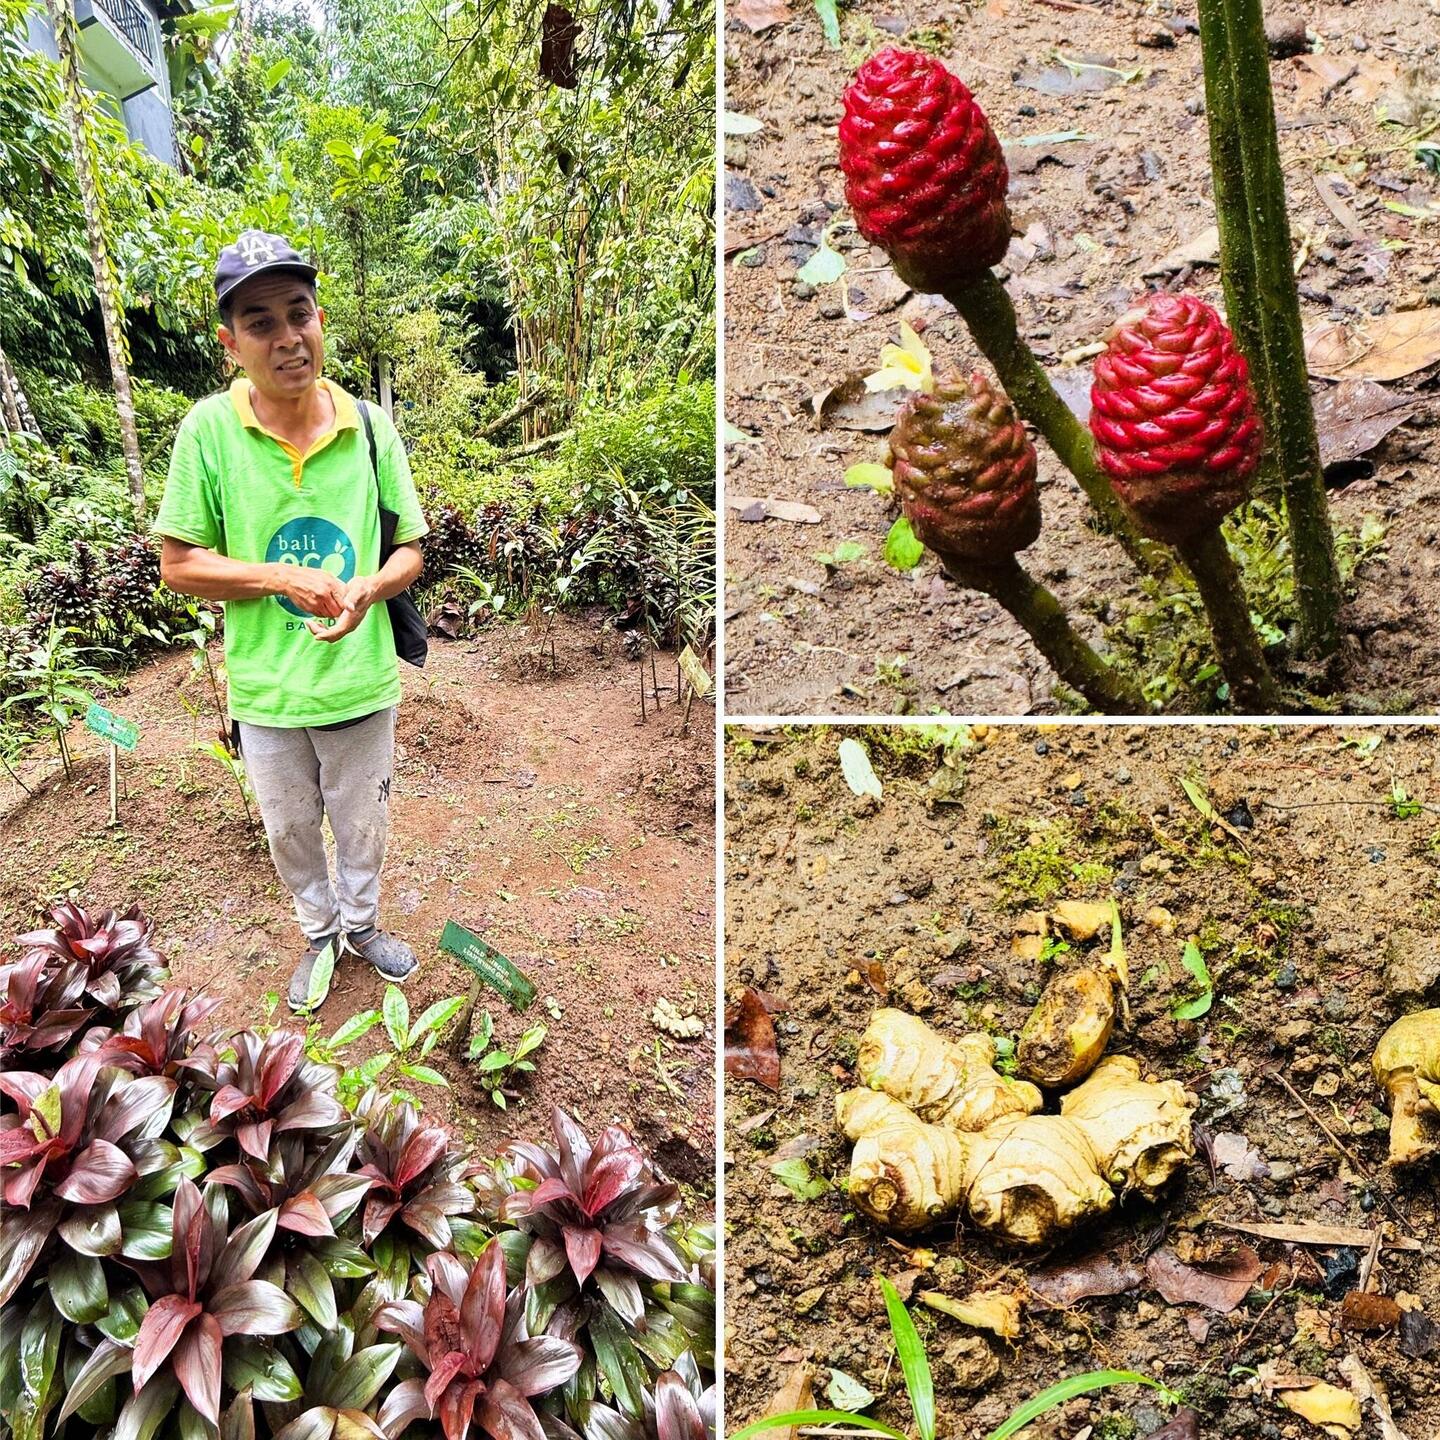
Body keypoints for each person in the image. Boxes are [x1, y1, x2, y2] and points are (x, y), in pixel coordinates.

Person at [155, 229, 428, 1009]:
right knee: (289, 830)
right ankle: (318, 933)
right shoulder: (208, 432)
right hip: (267, 689)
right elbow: (179, 565)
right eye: (261, 322)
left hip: (359, 678)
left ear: (319, 318)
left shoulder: (370, 426)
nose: (287, 338)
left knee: (363, 822)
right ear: (230, 342)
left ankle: (363, 925)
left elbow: (410, 546)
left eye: (298, 313)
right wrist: (279, 576)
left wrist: (368, 591)